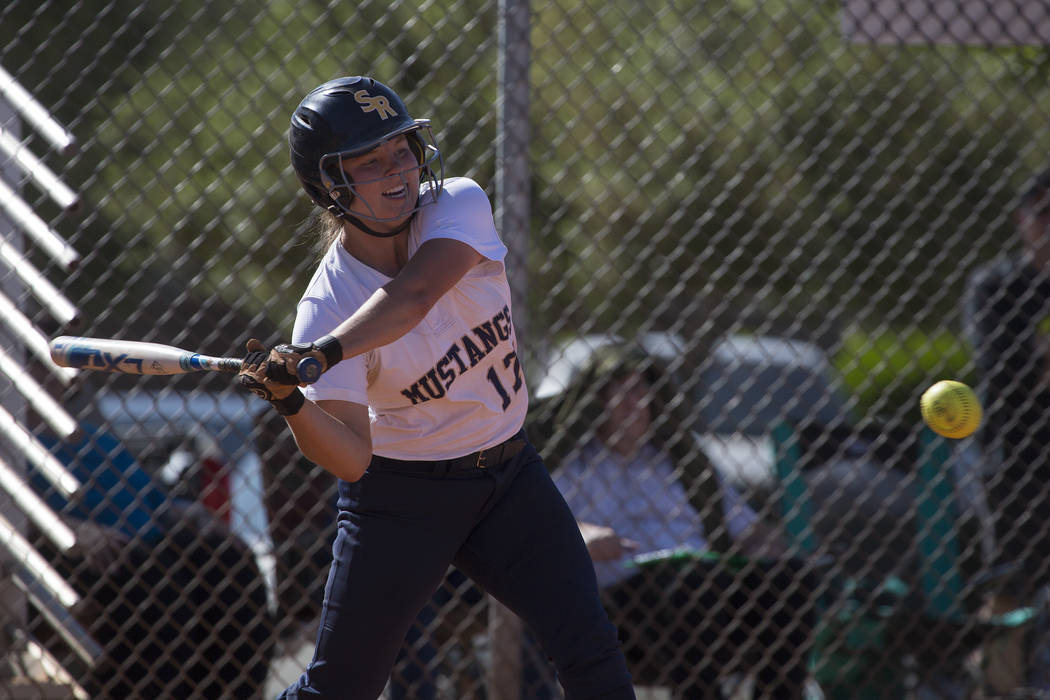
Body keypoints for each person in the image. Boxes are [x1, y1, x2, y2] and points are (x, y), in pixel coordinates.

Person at [236, 76, 636, 700]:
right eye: (369, 161)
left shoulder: (457, 203)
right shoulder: (326, 303)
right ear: (329, 185)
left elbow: (416, 295)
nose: (396, 168)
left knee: (589, 648)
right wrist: (290, 399)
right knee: (340, 688)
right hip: (403, 497)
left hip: (509, 476)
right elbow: (350, 456)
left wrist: (322, 355)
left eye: (401, 149)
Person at [543, 342, 817, 699]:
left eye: (643, 391)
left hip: (708, 590)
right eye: (622, 393)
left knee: (791, 578)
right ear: (596, 401)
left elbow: (747, 529)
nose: (636, 404)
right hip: (621, 604)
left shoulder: (679, 463)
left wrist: (774, 550)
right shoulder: (573, 465)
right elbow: (539, 525)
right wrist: (583, 535)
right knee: (694, 585)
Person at [29, 423, 274, 699]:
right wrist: (68, 528)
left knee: (230, 562)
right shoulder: (13, 434)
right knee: (157, 586)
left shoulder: (90, 431)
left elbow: (155, 499)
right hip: (74, 543)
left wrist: (194, 516)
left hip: (147, 530)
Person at [964, 167, 1050, 693]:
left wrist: (1035, 362)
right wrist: (1031, 364)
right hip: (1017, 456)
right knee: (1009, 585)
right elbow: (1003, 369)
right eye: (1042, 214)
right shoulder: (997, 286)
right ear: (1022, 222)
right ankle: (1001, 688)